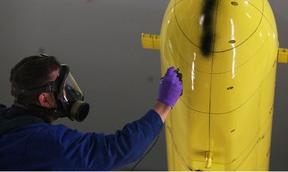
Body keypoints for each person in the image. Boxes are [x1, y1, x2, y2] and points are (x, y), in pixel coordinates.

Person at [0, 54, 183, 170]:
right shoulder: (46, 143)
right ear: (44, 99)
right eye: (63, 88)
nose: (69, 93)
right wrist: (164, 104)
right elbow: (118, 149)